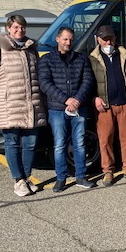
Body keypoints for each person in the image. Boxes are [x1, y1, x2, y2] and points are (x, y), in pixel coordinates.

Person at [0, 15, 46, 197]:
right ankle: (18, 180)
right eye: (16, 28)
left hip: (31, 105)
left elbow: (38, 78)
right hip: (8, 104)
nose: (20, 31)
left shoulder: (31, 50)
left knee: (31, 143)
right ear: (9, 28)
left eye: (23, 28)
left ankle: (26, 178)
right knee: (12, 143)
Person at [38, 27, 95, 192]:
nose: (68, 42)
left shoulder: (81, 59)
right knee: (60, 145)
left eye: (70, 39)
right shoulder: (47, 60)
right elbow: (45, 84)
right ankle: (61, 178)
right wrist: (66, 99)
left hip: (79, 108)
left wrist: (77, 99)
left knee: (79, 143)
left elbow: (88, 80)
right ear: (57, 39)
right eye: (65, 39)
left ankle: (81, 177)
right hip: (57, 109)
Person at [89, 25, 126, 187]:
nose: (108, 41)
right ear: (98, 39)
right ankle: (108, 170)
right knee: (105, 140)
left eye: (110, 38)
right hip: (105, 106)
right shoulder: (92, 58)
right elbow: (89, 81)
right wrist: (94, 99)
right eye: (104, 39)